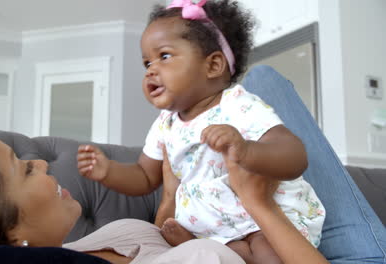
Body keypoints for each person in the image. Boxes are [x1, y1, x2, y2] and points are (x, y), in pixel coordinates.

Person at [77, 0, 325, 263]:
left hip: (262, 222)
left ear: (213, 65)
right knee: (217, 253)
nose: (151, 69)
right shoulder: (166, 123)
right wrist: (109, 172)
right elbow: (144, 176)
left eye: (164, 56)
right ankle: (203, 244)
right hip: (217, 228)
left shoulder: (238, 105)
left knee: (267, 254)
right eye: (146, 62)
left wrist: (247, 150)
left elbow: (294, 155)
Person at [0, 131, 328, 263]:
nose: (41, 164)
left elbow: (154, 248)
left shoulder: (79, 249)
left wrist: (168, 194)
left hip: (245, 227)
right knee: (264, 85)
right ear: (10, 238)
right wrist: (259, 202)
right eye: (24, 169)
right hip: (303, 243)